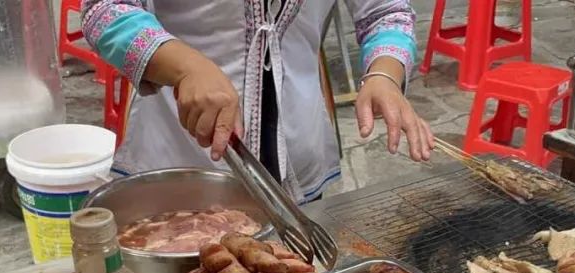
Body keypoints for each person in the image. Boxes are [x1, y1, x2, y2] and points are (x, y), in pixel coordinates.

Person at [82, 0, 433, 202]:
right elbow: (105, 10)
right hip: (181, 157)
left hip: (297, 148)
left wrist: (384, 75)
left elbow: (385, 12)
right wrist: (187, 68)